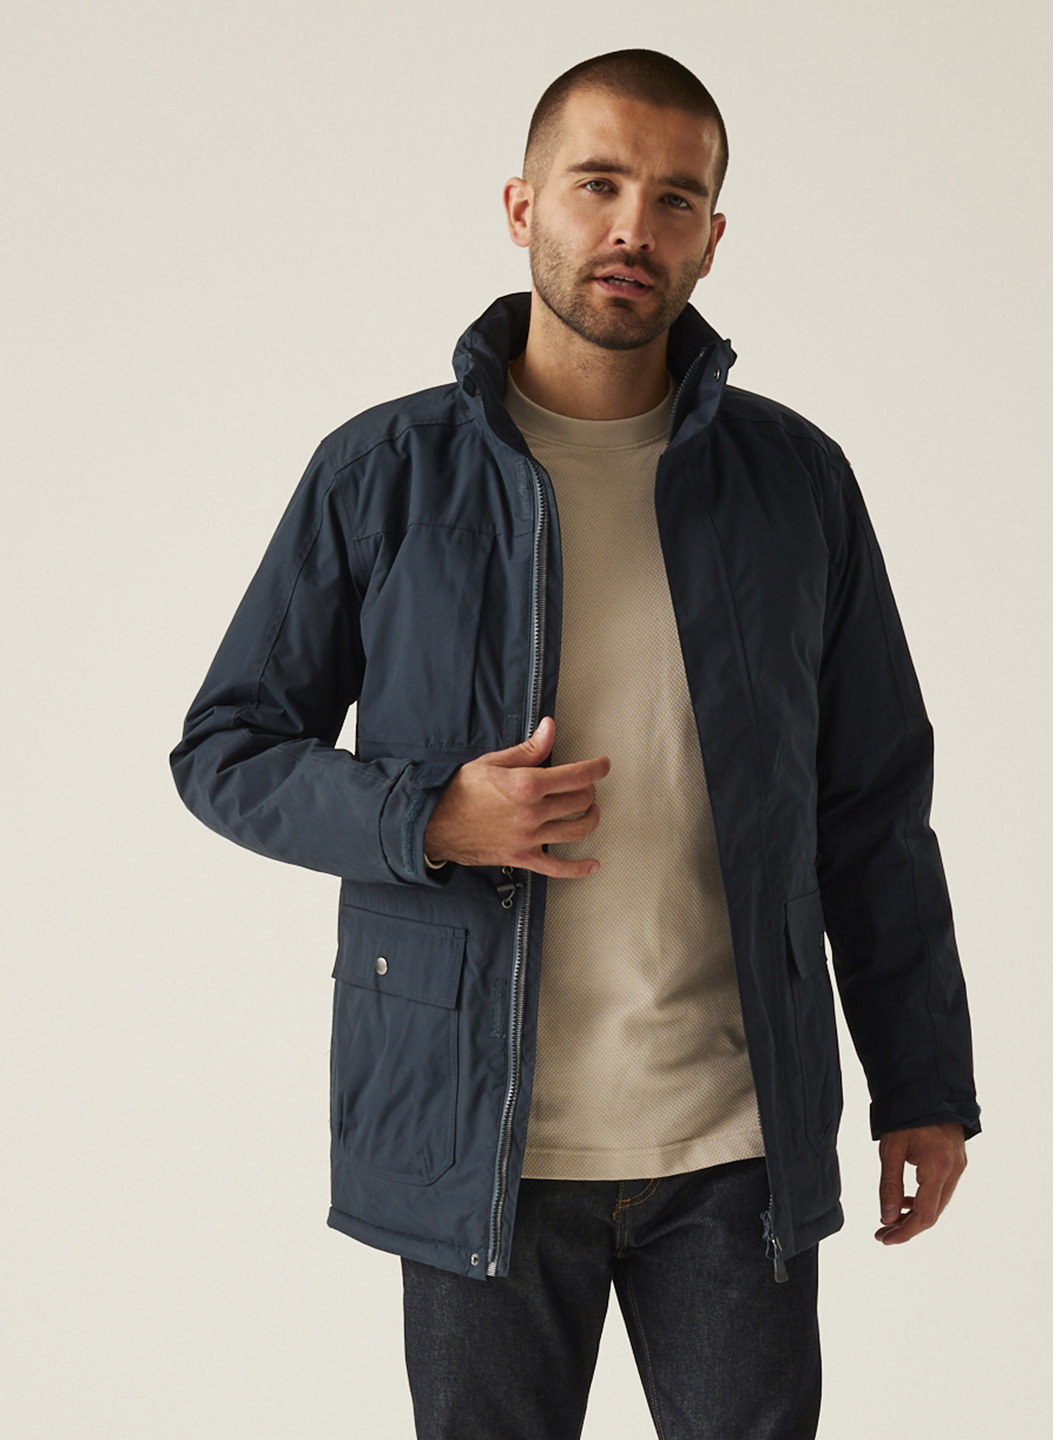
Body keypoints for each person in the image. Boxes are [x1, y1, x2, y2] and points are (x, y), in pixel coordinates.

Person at [170, 48, 980, 1440]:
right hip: (477, 1138)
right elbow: (227, 749)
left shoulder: (795, 483)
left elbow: (871, 807)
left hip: (735, 1143)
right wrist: (428, 816)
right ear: (521, 205)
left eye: (675, 200)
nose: (632, 228)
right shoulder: (385, 475)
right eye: (597, 184)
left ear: (712, 237)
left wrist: (922, 1082)